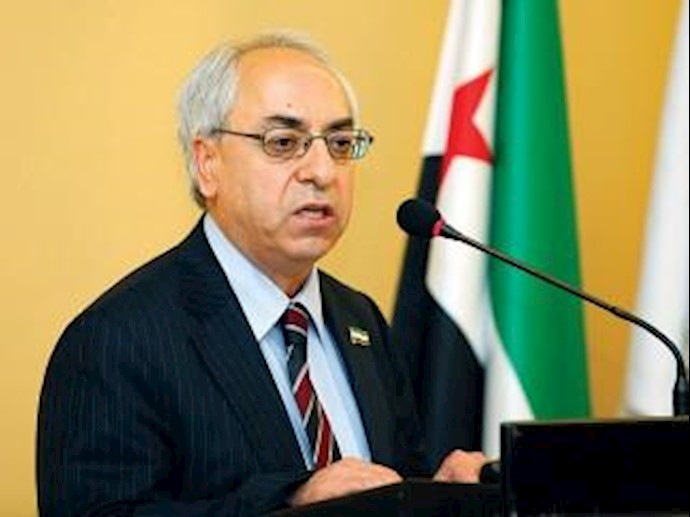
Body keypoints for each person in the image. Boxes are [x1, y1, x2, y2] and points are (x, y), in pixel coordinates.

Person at [37, 31, 488, 515]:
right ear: (207, 163)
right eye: (284, 142)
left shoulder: (361, 321)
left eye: (340, 143)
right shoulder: (117, 340)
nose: (322, 171)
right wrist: (293, 504)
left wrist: (441, 493)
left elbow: (389, 489)